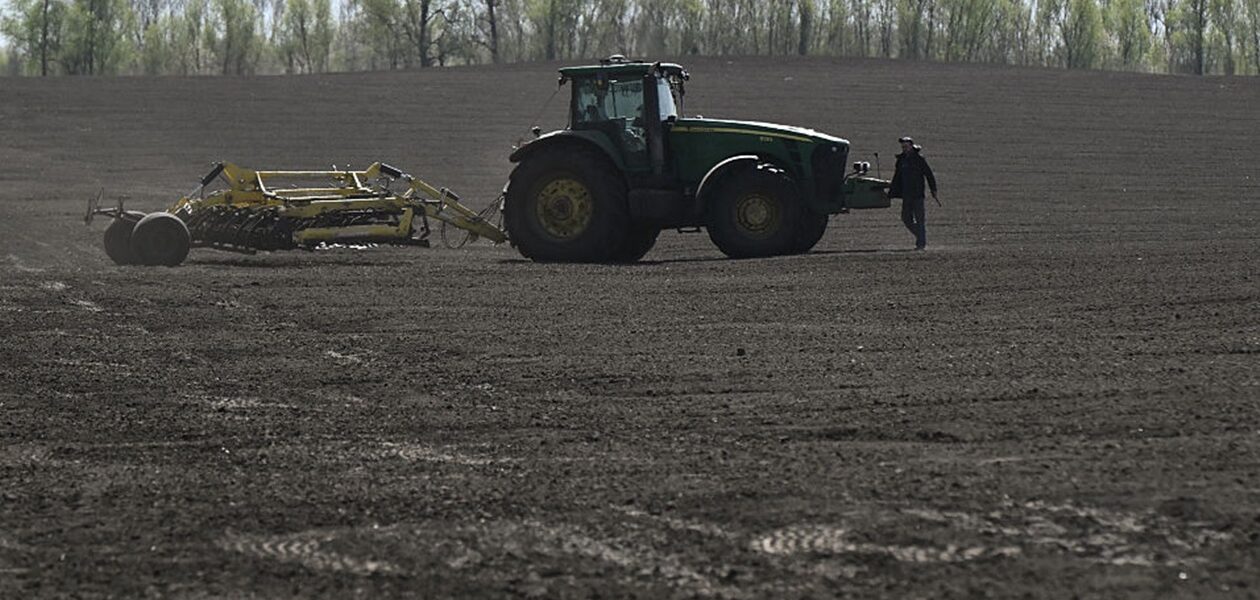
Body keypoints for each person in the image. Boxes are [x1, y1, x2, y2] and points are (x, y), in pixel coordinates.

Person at [887, 136, 939, 250]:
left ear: (911, 146)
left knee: (920, 220)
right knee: (906, 218)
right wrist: (891, 192)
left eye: (906, 146)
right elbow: (897, 177)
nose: (904, 148)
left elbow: (929, 175)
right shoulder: (901, 160)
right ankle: (921, 236)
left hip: (918, 195)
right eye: (903, 146)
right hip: (906, 195)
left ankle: (921, 244)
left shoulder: (919, 159)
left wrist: (933, 190)